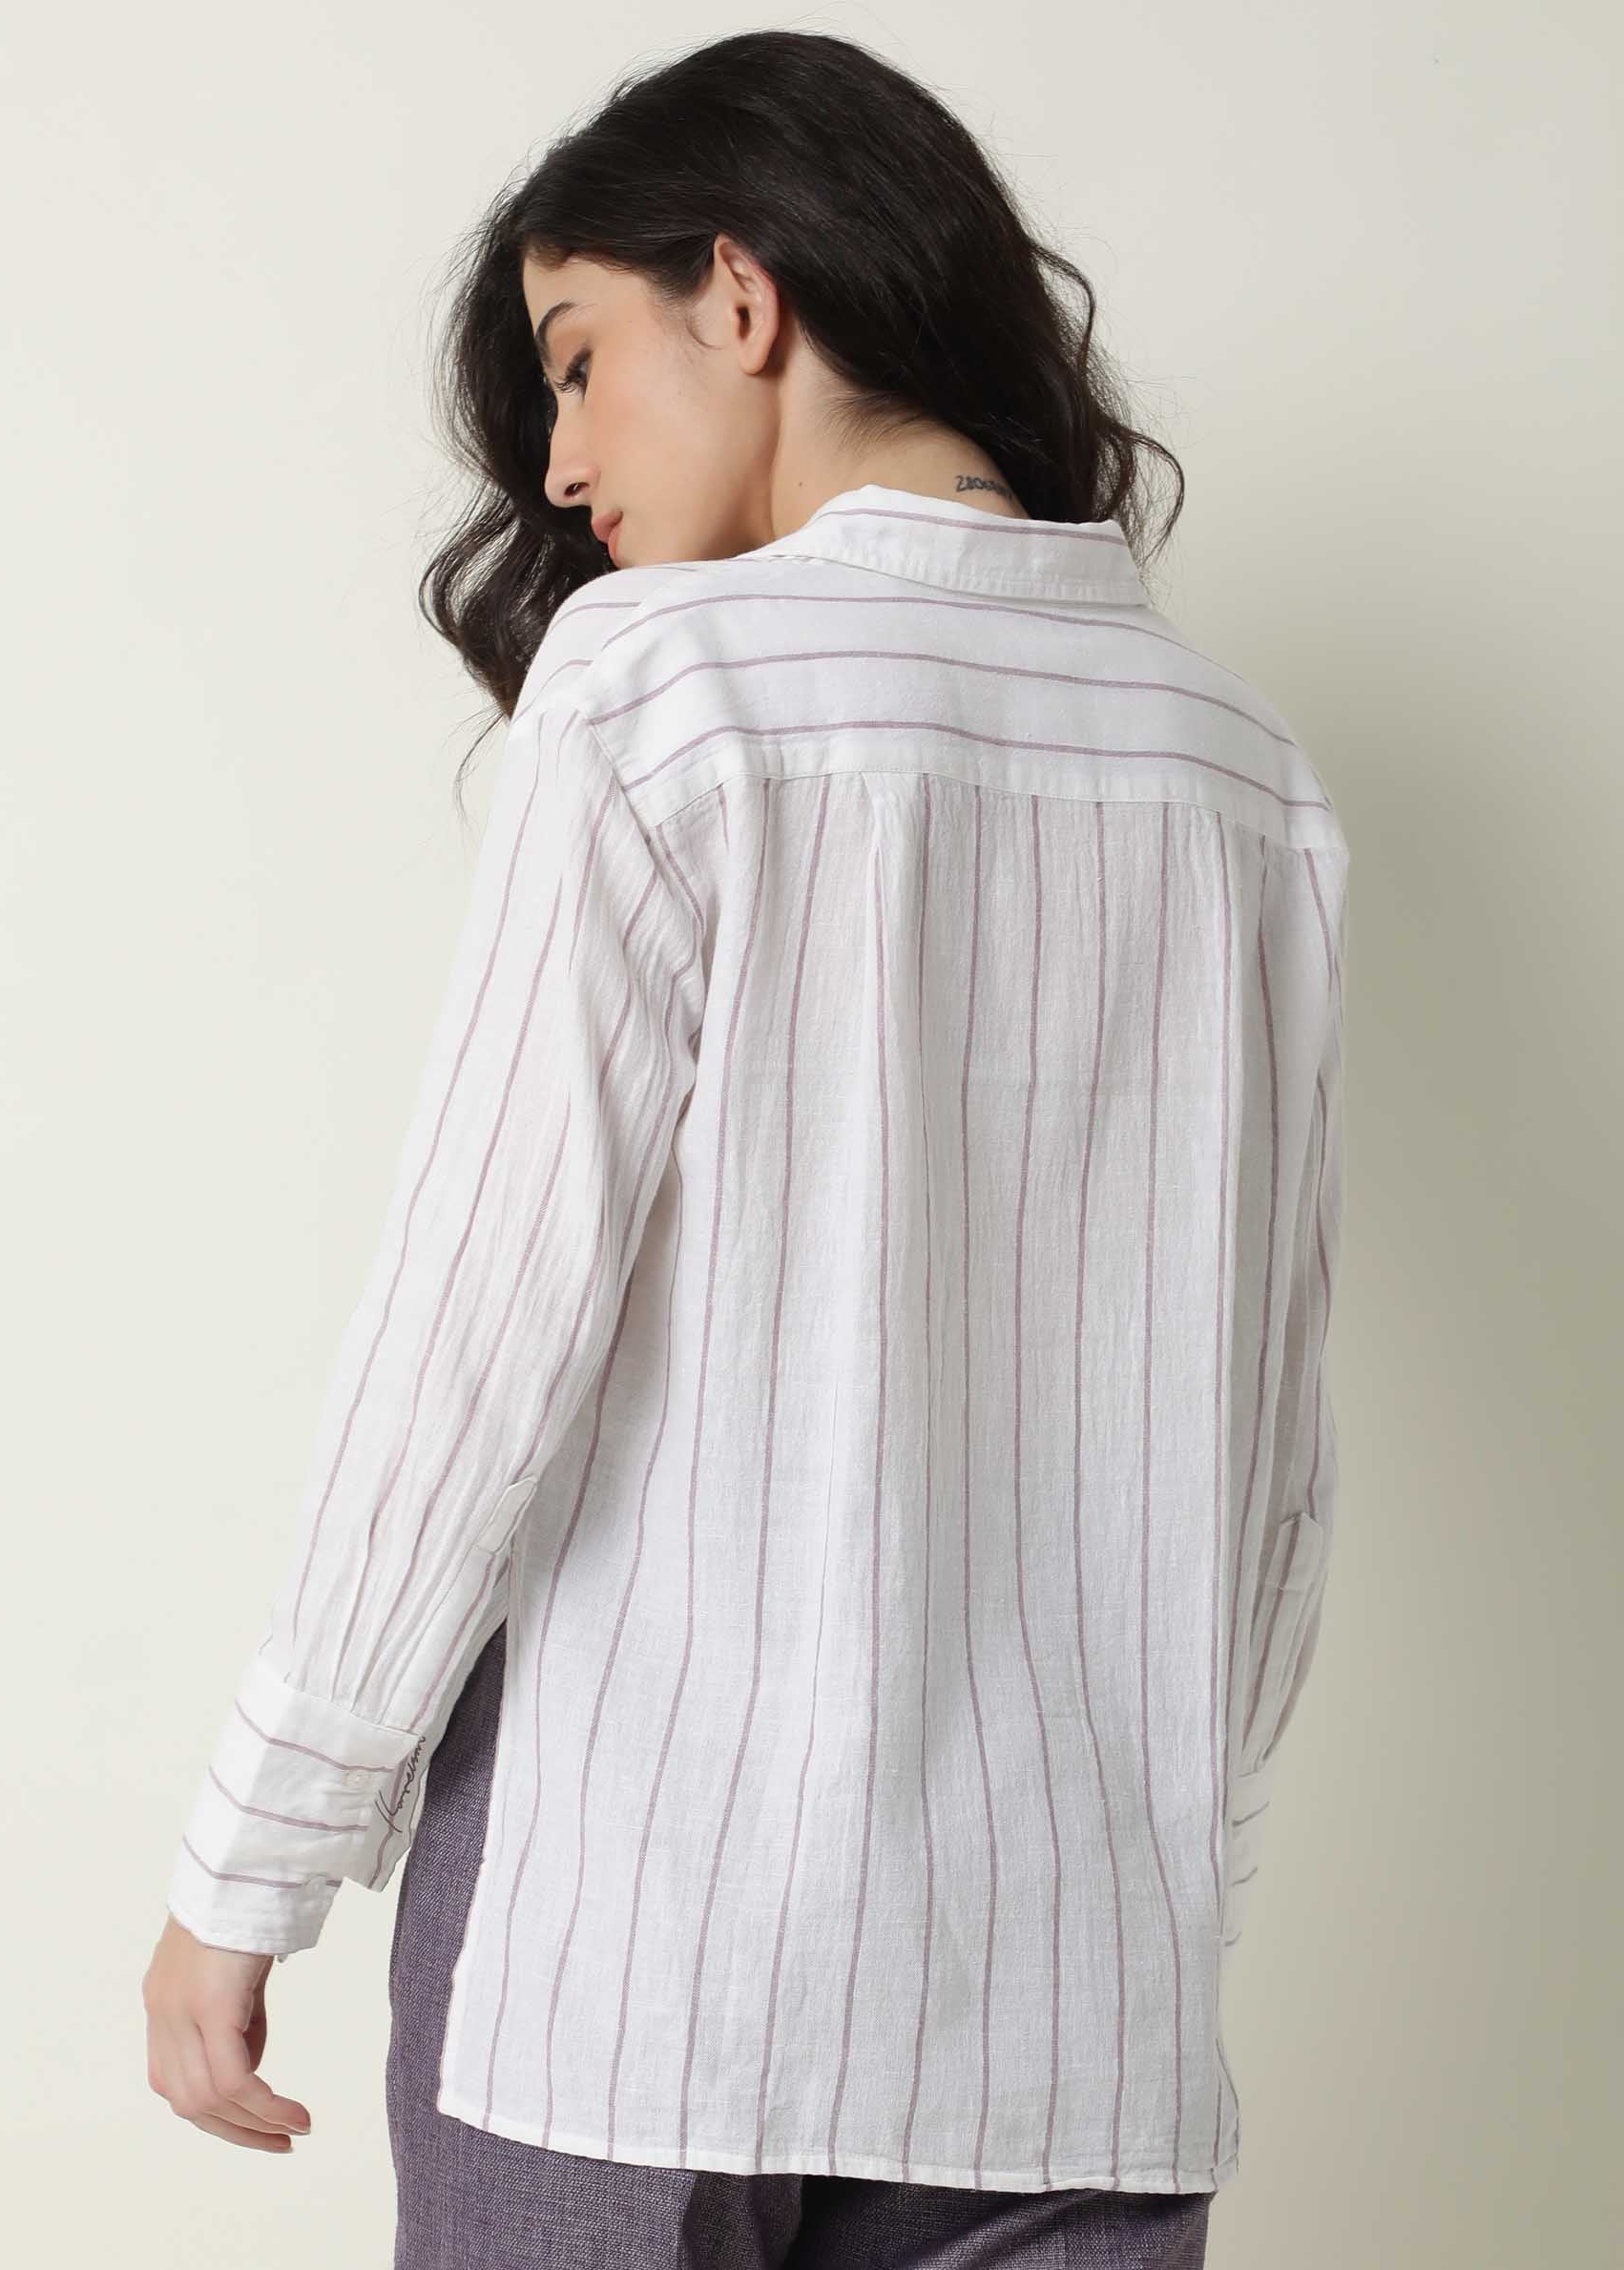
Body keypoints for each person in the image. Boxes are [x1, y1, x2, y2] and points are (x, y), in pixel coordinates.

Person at [141, 30, 1348, 2269]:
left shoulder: (660, 685)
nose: (562, 460)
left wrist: (256, 1851)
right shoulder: (1240, 770)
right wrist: (1167, 1865)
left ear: (743, 292)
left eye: (576, 361)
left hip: (631, 1947)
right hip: (1076, 1991)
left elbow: (474, 1340)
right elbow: (1267, 1437)